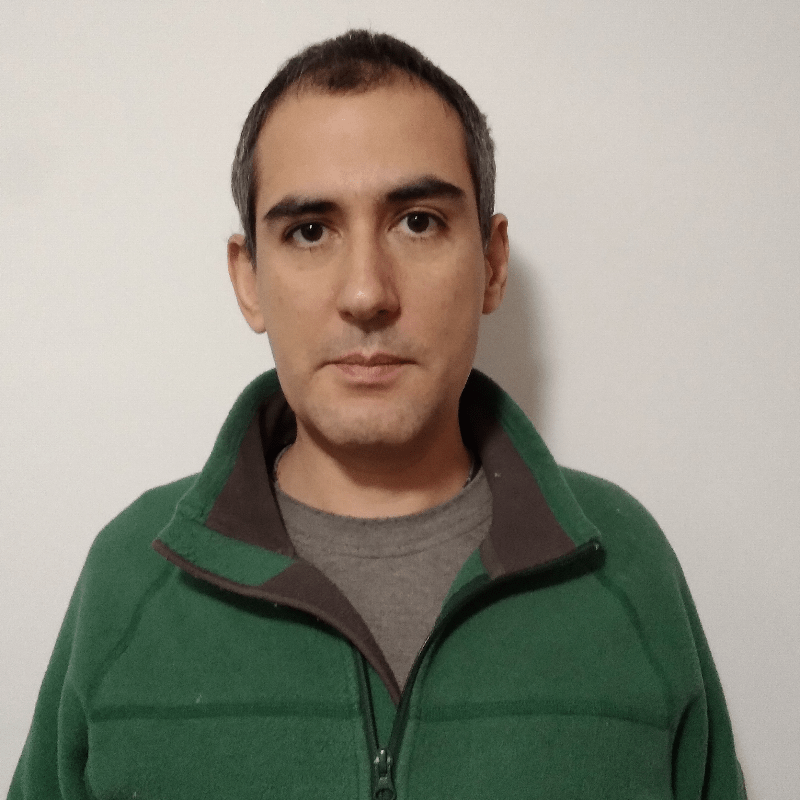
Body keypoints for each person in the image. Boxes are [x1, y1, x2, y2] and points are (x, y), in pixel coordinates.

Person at [10, 29, 745, 800]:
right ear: (249, 280)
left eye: (418, 221)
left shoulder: (625, 566)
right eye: (310, 231)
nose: (366, 293)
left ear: (492, 263)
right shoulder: (132, 578)